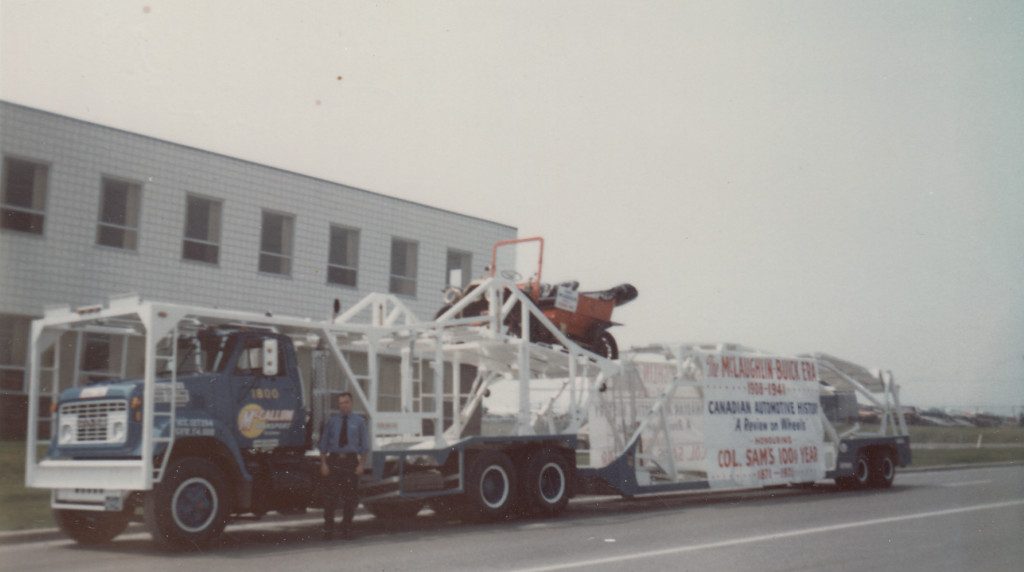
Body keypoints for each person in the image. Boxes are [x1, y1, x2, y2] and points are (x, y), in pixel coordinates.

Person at [318, 392, 368, 539]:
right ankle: (328, 529)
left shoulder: (359, 422)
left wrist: (361, 465)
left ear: (351, 403)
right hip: (334, 461)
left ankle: (346, 528)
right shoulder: (332, 422)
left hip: (351, 461)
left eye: (346, 402)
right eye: (340, 403)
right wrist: (324, 464)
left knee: (350, 497)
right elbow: (324, 444)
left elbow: (364, 446)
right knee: (330, 498)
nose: (343, 406)